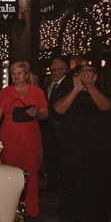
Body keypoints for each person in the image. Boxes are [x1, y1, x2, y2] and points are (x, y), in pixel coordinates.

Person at [54, 63, 111, 222]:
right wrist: (75, 90)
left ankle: (102, 217)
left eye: (89, 72)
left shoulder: (104, 89)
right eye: (82, 72)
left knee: (100, 180)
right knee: (76, 180)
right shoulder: (69, 90)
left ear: (95, 76)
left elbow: (106, 106)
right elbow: (58, 109)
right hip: (74, 145)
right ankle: (77, 218)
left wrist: (90, 87)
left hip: (99, 145)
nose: (85, 75)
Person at [0, 61, 48, 216]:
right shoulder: (5, 92)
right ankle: (9, 207)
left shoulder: (37, 91)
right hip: (10, 137)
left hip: (30, 137)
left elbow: (45, 113)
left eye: (19, 73)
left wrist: (37, 113)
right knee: (10, 170)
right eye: (13, 73)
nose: (16, 76)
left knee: (31, 171)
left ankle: (30, 208)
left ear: (26, 75)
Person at [40, 56, 72, 191]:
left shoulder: (69, 85)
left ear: (65, 70)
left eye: (58, 69)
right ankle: (53, 182)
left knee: (62, 157)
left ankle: (63, 184)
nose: (54, 72)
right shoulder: (48, 85)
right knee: (50, 156)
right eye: (52, 70)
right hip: (48, 127)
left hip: (62, 126)